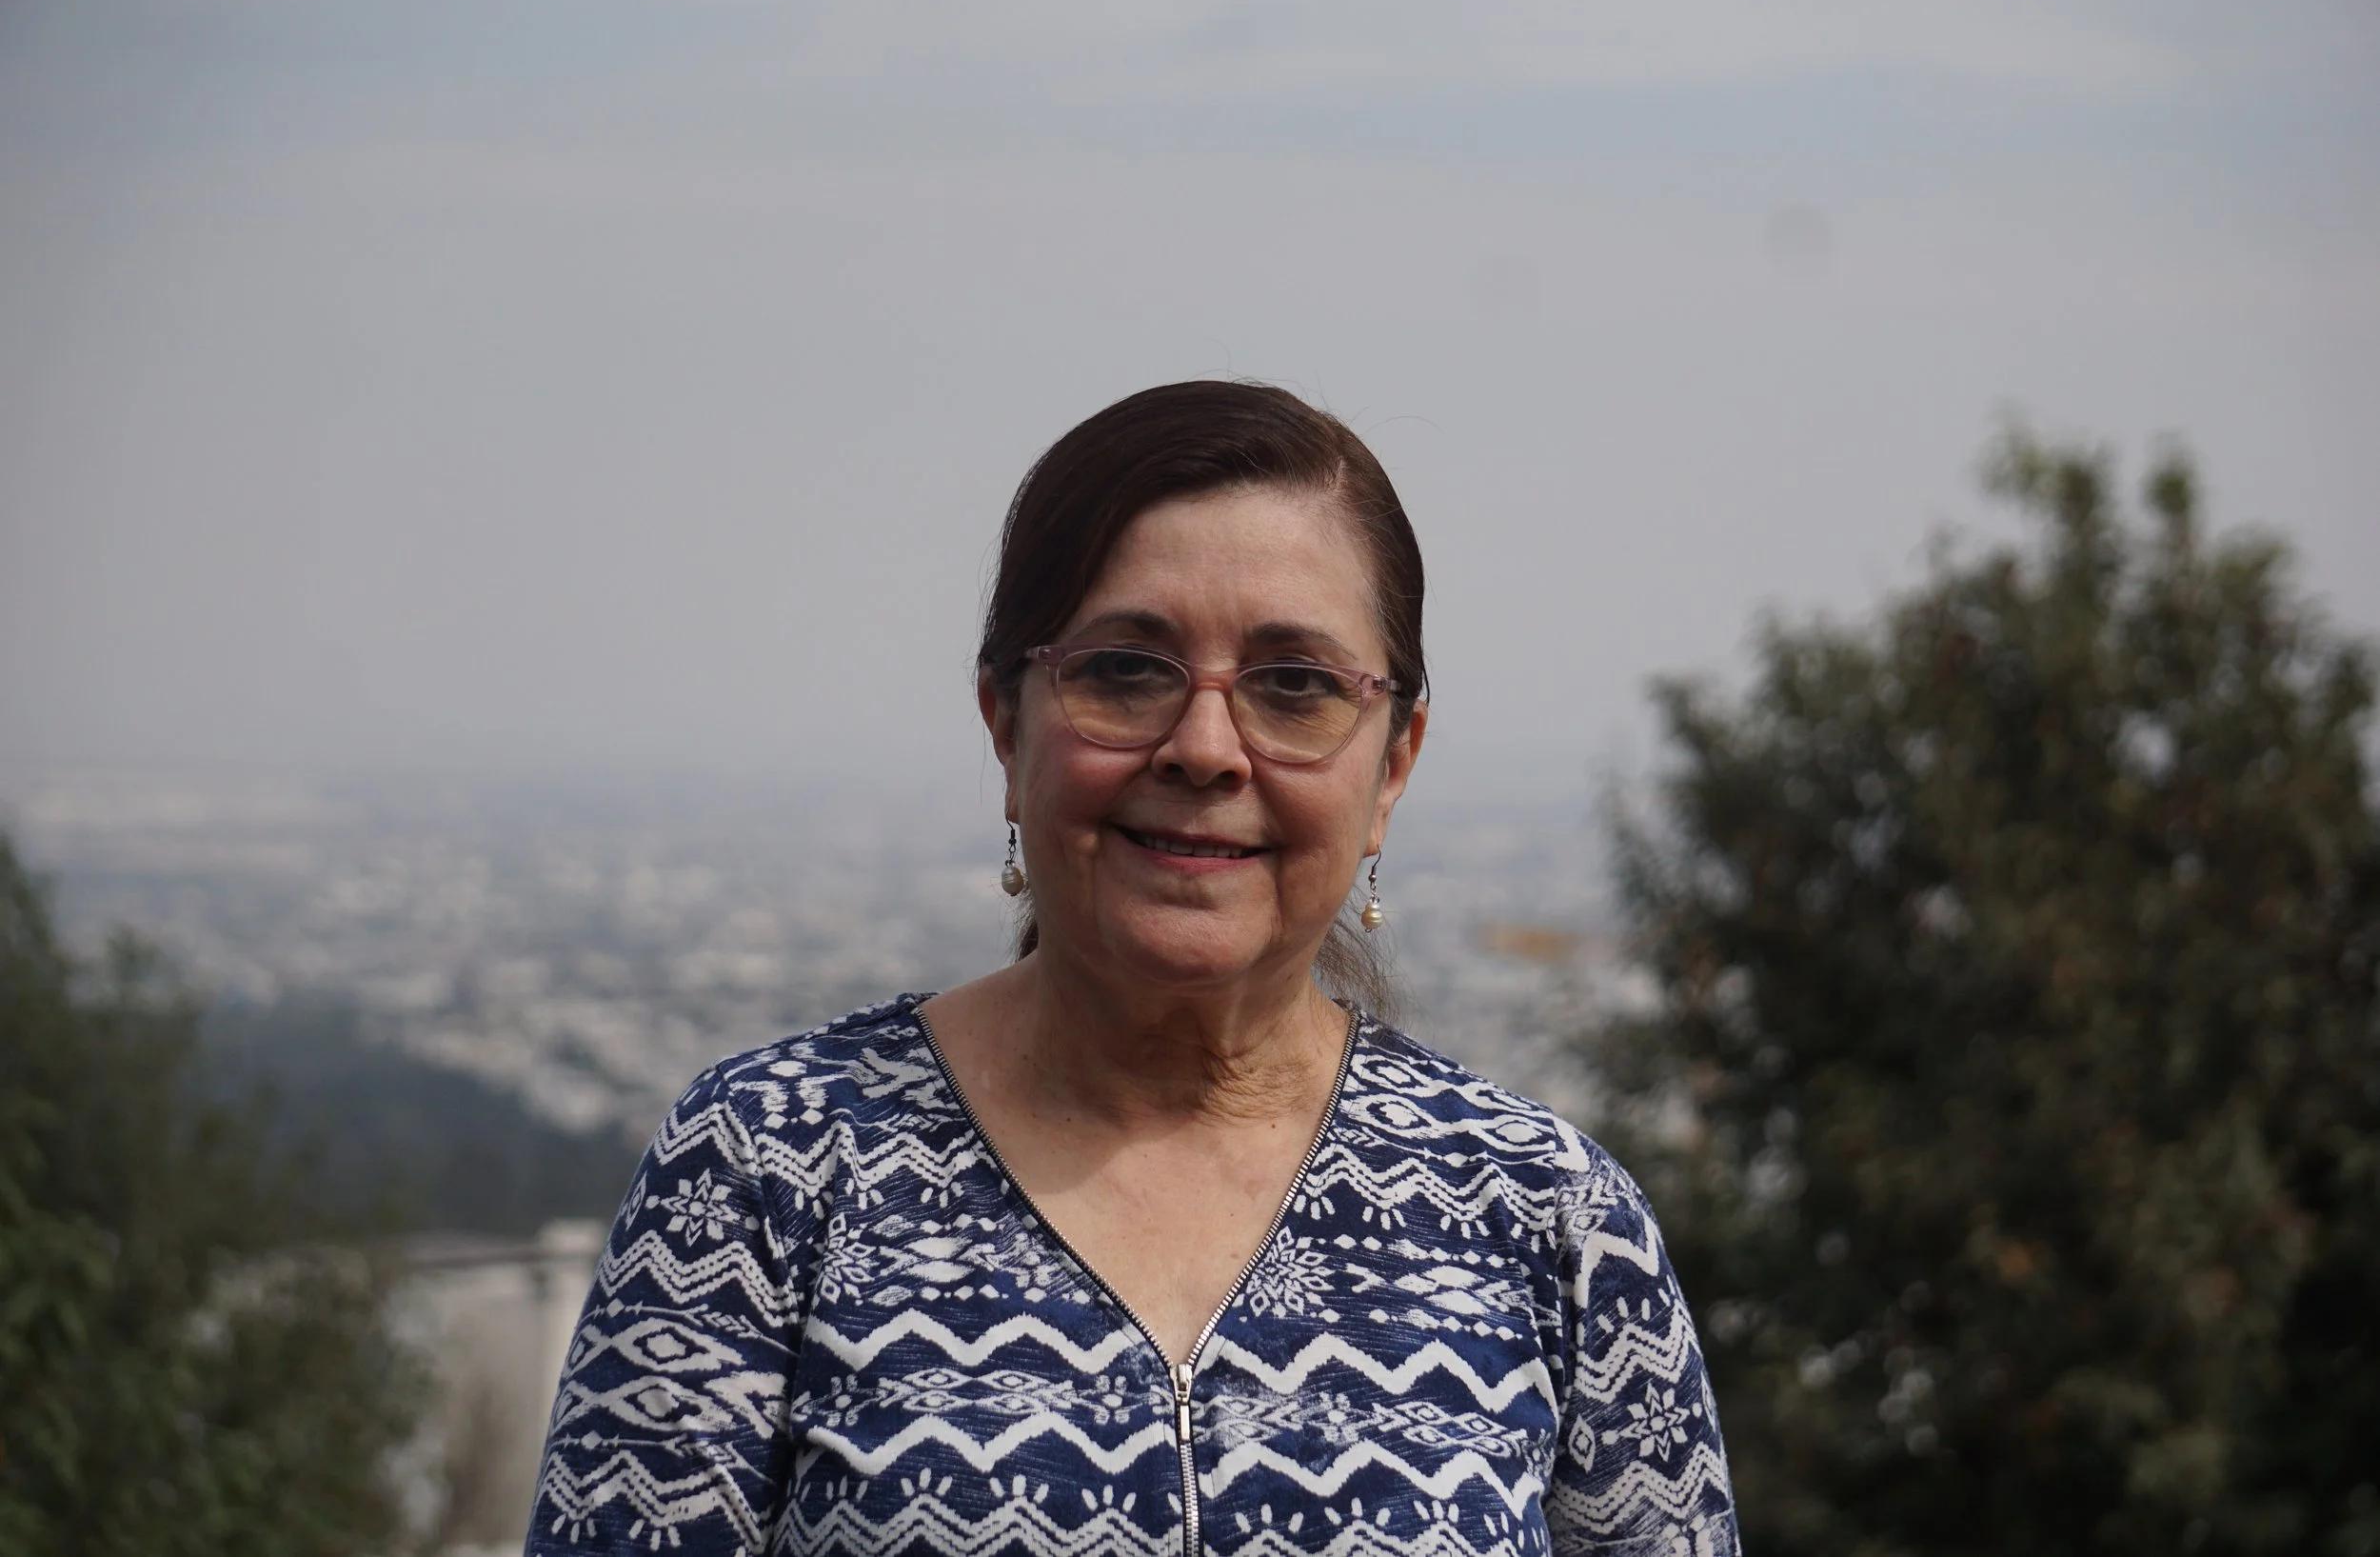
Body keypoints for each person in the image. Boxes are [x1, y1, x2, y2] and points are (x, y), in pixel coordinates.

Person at [526, 382, 1739, 1556]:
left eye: (1296, 686)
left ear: (1393, 763)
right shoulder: (771, 1167)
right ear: (1007, 722)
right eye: (1124, 669)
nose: (1205, 748)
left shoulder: (1543, 1217)